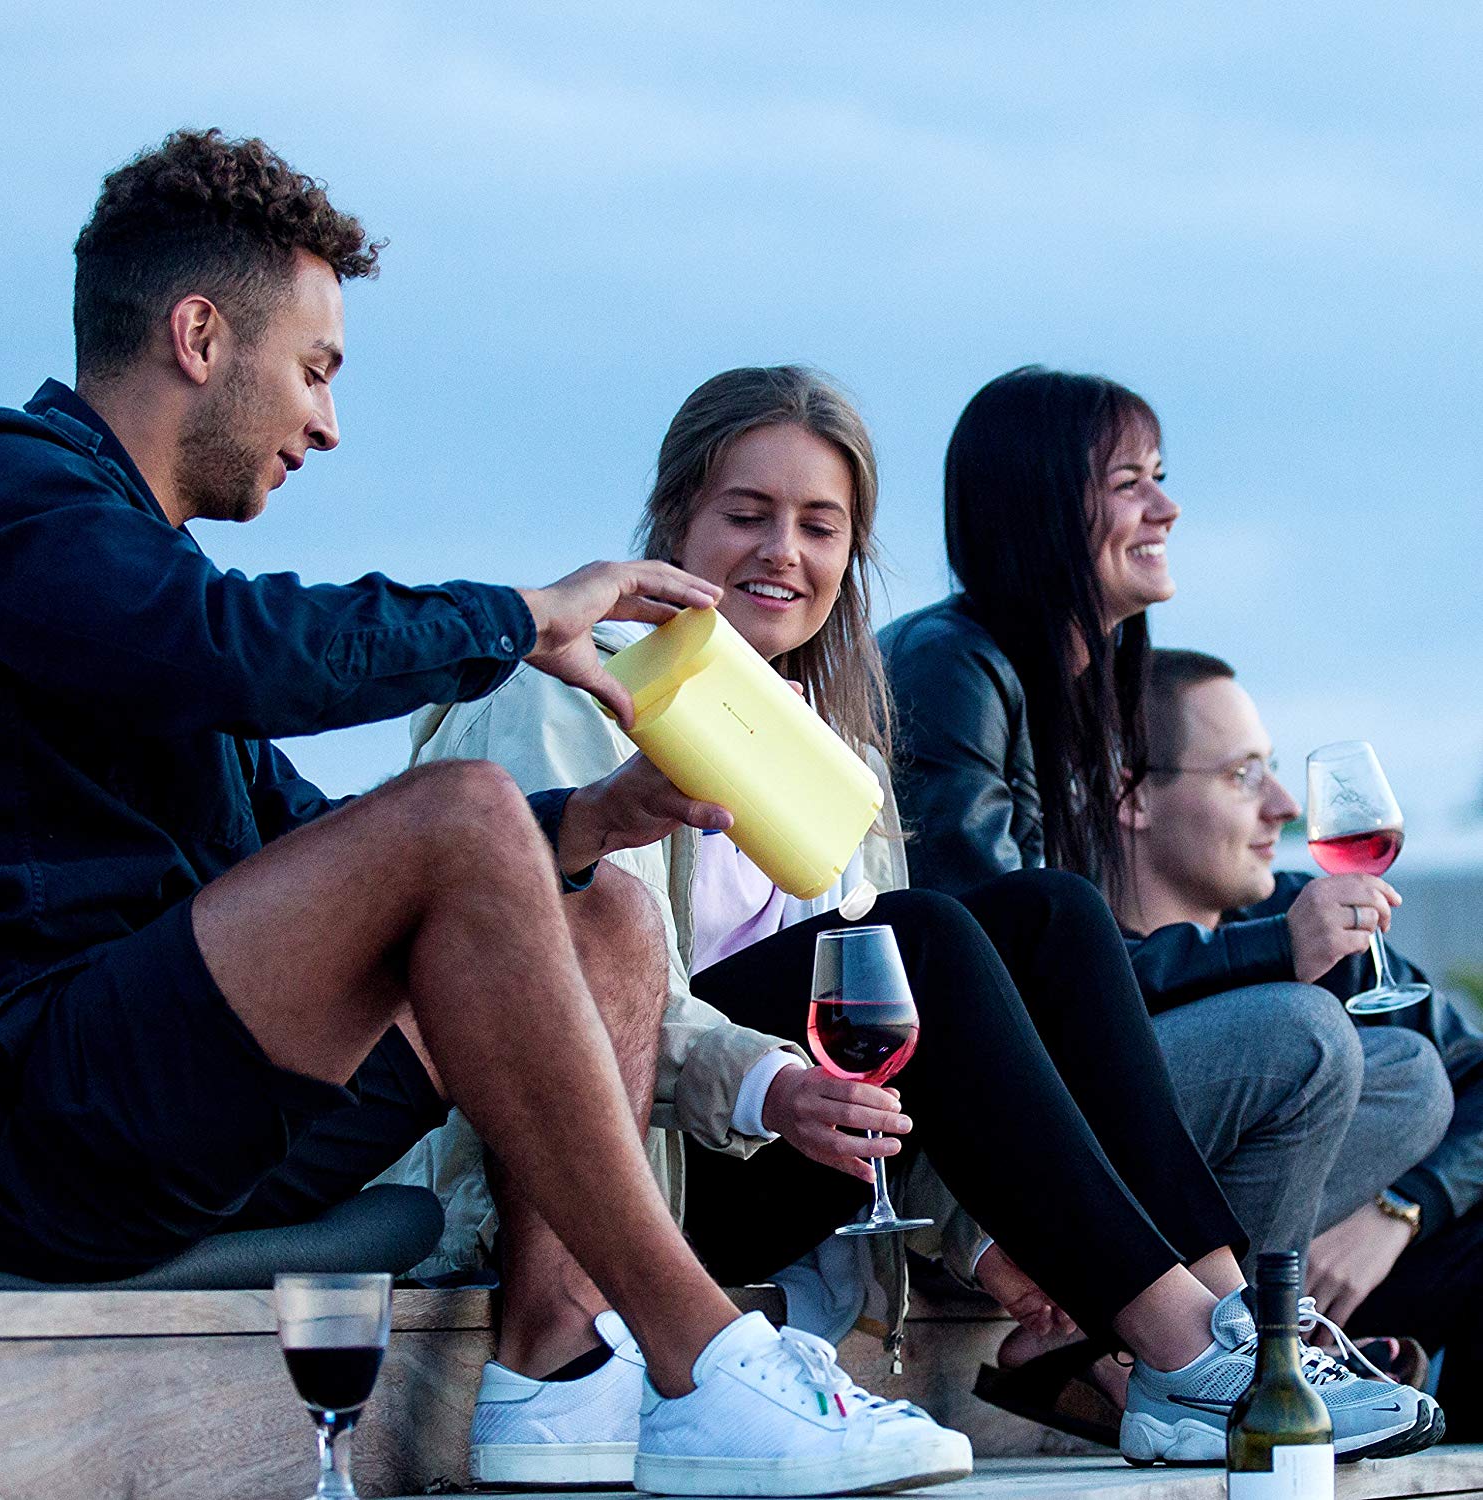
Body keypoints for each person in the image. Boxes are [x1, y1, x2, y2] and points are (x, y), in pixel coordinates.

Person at [0, 129, 981, 1498]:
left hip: (201, 1111)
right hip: (50, 1116)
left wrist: (594, 819)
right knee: (456, 808)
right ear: (199, 335)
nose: (329, 423)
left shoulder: (137, 578)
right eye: (316, 369)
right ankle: (704, 1353)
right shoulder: (17, 499)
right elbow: (234, 649)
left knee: (611, 918)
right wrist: (517, 617)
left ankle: (555, 1377)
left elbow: (285, 830)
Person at [394, 364, 1439, 1472]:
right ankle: (1185, 1350)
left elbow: (913, 1048)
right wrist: (764, 1081)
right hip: (618, 1172)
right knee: (920, 940)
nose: (781, 553)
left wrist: (984, 1240)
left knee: (1049, 914)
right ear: (674, 522)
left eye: (819, 526)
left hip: (781, 1160)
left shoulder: (835, 753)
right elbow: (544, 980)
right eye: (745, 515)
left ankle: (1228, 1323)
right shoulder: (567, 690)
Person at [879, 366, 1444, 1282]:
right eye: (1130, 483)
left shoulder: (1075, 686)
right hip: (961, 1130)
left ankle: (1179, 1337)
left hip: (1058, 1092)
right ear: (1042, 508)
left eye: (1161, 475)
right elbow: (1008, 967)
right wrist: (1270, 949)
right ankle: (1222, 1346)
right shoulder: (952, 670)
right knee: (1302, 1036)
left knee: (1408, 1075)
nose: (1168, 508)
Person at [1115, 646, 1479, 1436]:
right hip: (1110, 1261)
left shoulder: (1298, 916)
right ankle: (1205, 1359)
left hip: (1306, 1272)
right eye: (1243, 775)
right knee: (1313, 1035)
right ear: (1133, 797)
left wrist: (1398, 1208)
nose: (1283, 804)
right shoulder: (1078, 941)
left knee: (1417, 1076)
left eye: (1274, 769)